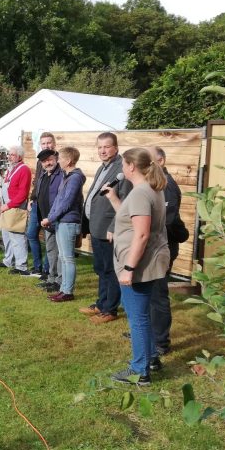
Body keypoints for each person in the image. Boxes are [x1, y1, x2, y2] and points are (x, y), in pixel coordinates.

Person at [104, 148, 170, 385]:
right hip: (147, 261)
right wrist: (114, 199)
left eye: (123, 163)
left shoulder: (142, 192)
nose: (122, 168)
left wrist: (129, 269)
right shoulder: (149, 189)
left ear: (131, 166)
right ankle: (151, 358)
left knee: (138, 318)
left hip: (139, 265)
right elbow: (133, 221)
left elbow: (141, 235)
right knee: (143, 315)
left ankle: (140, 371)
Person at [80, 132, 132, 323]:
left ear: (116, 148)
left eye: (107, 146)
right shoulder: (103, 167)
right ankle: (101, 303)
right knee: (101, 268)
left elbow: (124, 201)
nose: (103, 150)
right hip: (96, 227)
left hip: (109, 229)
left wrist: (114, 226)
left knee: (110, 270)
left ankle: (110, 309)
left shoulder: (121, 169)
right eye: (100, 147)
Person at [150, 147, 183, 357]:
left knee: (158, 295)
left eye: (149, 159)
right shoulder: (157, 184)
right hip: (154, 246)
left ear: (160, 162)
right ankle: (150, 333)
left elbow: (167, 220)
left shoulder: (167, 186)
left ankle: (161, 341)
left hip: (163, 247)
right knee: (149, 293)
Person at [42, 147, 85, 302]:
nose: (58, 161)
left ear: (68, 161)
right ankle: (63, 289)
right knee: (63, 256)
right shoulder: (67, 176)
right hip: (62, 221)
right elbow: (59, 199)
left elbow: (66, 202)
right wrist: (51, 217)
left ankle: (68, 291)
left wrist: (50, 218)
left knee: (67, 258)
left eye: (60, 158)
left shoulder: (75, 178)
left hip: (68, 222)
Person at [32, 150, 63, 292]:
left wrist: (52, 217)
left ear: (55, 158)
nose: (47, 163)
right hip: (46, 220)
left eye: (50, 160)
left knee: (60, 253)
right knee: (51, 251)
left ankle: (59, 281)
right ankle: (51, 278)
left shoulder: (61, 175)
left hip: (58, 220)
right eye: (44, 161)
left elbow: (62, 199)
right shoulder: (43, 176)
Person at [27, 132, 56, 278]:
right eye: (43, 143)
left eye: (49, 143)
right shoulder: (40, 161)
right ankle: (37, 266)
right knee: (31, 234)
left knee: (49, 239)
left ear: (54, 144)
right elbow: (37, 182)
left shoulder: (56, 161)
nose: (46, 145)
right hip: (37, 203)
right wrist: (32, 199)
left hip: (50, 205)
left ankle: (47, 269)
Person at [0, 145, 32, 275]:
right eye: (9, 154)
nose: (9, 157)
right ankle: (8, 260)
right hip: (7, 206)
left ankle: (21, 265)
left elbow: (23, 193)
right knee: (6, 236)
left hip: (16, 207)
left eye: (12, 154)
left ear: (19, 156)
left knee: (17, 237)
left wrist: (9, 205)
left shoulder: (24, 170)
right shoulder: (11, 169)